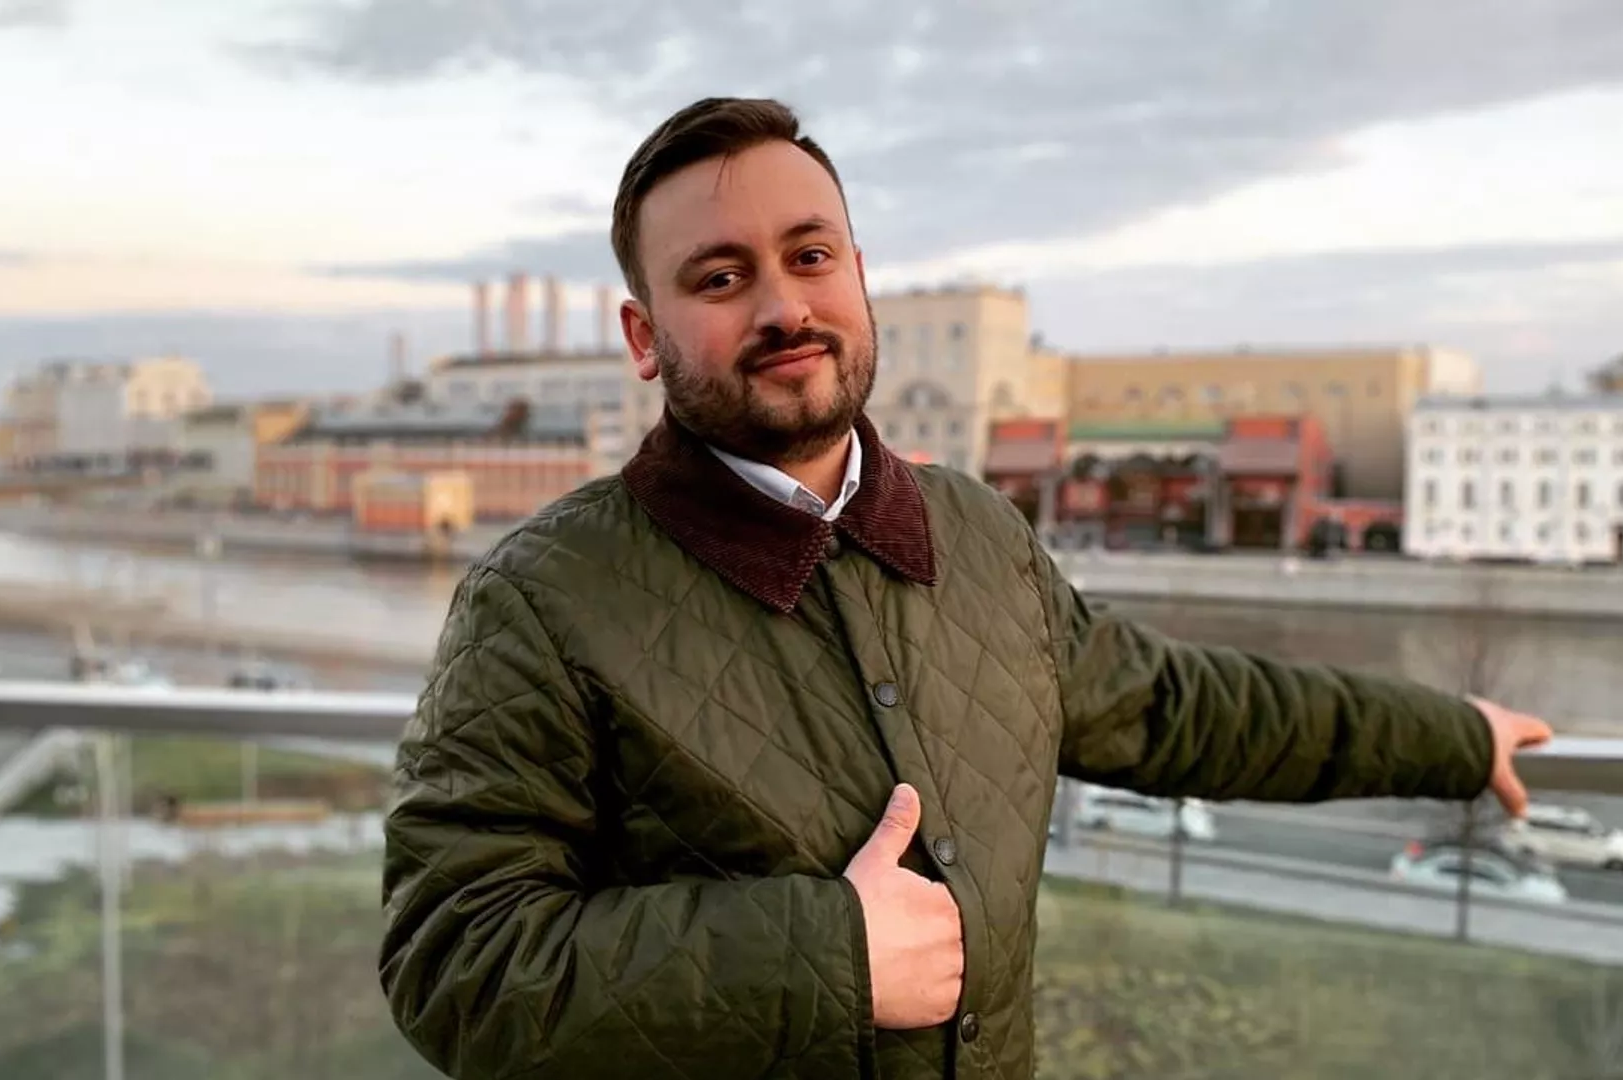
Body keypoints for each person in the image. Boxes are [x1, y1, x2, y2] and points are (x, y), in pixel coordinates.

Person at [378, 96, 1554, 1080]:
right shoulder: (540, 601)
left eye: (810, 256)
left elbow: (1177, 709)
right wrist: (827, 957)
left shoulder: (978, 534)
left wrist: (1451, 737)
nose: (784, 307)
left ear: (859, 278)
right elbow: (454, 964)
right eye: (721, 277)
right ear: (645, 337)